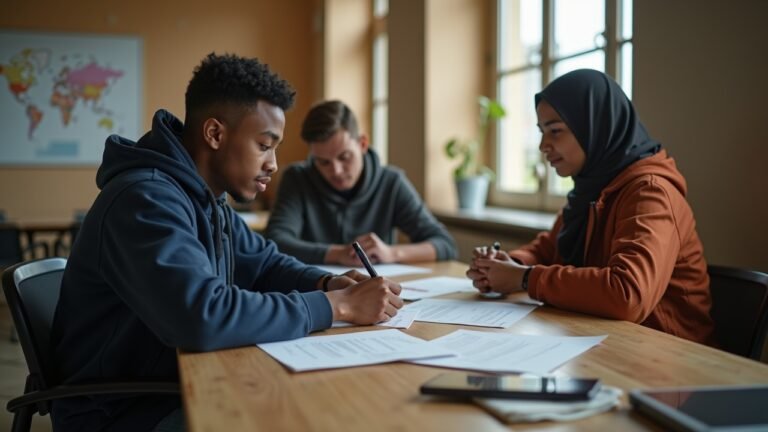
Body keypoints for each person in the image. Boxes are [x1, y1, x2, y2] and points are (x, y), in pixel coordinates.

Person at [50, 53, 404, 432]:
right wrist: (339, 307)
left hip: (168, 382)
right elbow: (202, 315)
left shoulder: (205, 197)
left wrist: (327, 284)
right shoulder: (144, 200)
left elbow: (265, 263)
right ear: (216, 134)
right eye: (264, 145)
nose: (273, 163)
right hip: (122, 411)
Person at [467, 69, 715, 346]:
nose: (543, 145)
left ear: (596, 125)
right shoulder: (591, 187)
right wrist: (508, 264)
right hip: (605, 343)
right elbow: (548, 249)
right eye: (541, 132)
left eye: (555, 131)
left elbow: (627, 294)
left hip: (667, 356)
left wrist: (524, 278)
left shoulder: (651, 191)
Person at [265, 100, 457, 266]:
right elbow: (276, 241)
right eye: (323, 162)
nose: (336, 171)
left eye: (345, 157)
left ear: (363, 144)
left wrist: (392, 253)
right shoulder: (297, 178)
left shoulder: (391, 182)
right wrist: (337, 254)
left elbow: (445, 244)